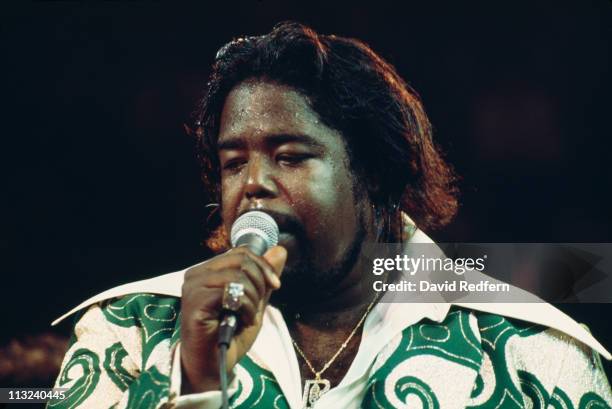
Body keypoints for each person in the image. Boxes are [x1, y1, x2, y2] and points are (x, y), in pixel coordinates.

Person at [49, 22, 611, 409]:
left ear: (377, 174)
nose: (254, 184)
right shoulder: (128, 332)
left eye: (290, 157)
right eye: (232, 162)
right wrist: (198, 382)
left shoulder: (531, 350)